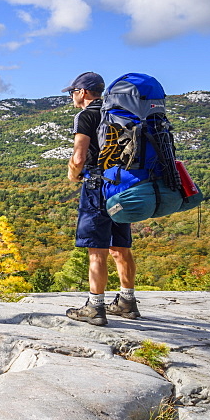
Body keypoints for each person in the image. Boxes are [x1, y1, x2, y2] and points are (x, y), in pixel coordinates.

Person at [63, 72, 141, 326]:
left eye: (73, 91)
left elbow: (78, 157)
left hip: (97, 187)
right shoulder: (117, 111)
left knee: (96, 249)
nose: (72, 96)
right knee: (121, 246)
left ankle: (95, 307)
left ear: (83, 92)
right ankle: (127, 302)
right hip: (121, 186)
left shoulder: (86, 115)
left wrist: (73, 175)